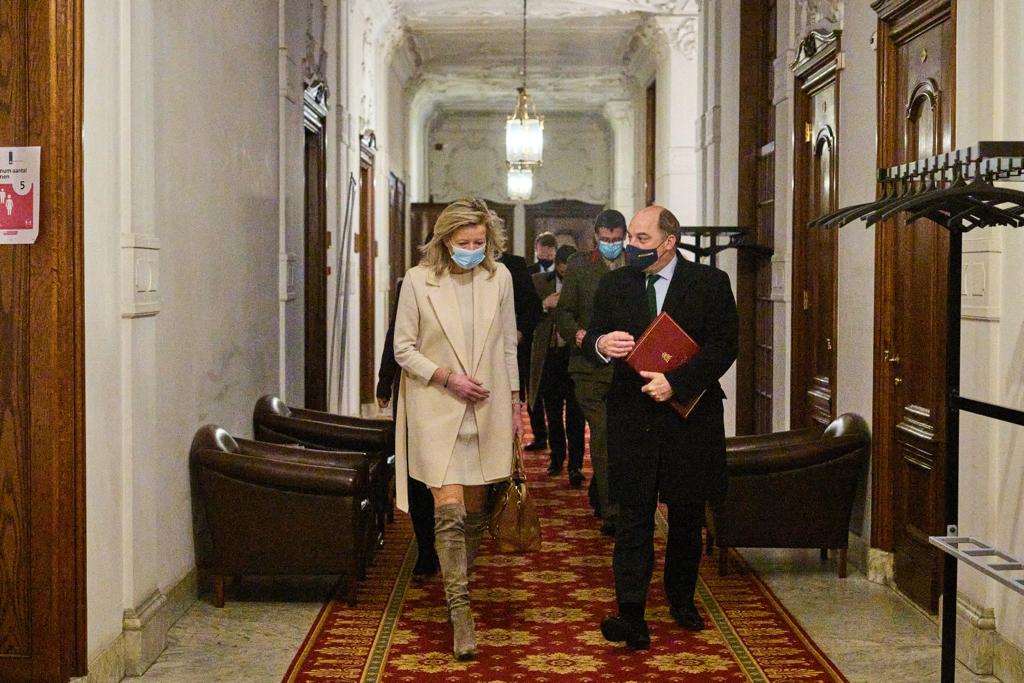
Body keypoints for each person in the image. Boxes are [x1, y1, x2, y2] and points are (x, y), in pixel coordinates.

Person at [582, 205, 738, 650]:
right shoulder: (615, 284)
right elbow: (594, 337)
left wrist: (677, 383)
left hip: (690, 414)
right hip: (631, 415)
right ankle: (630, 611)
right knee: (632, 515)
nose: (631, 245)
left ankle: (681, 599)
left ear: (669, 242)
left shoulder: (710, 283)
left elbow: (725, 346)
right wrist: (601, 343)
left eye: (642, 239)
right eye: (630, 236)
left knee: (687, 515)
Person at [393, 197, 523, 660]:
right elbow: (402, 349)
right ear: (445, 240)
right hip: (437, 405)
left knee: (473, 512)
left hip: (485, 408)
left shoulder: (500, 278)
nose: (472, 248)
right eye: (464, 241)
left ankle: (459, 579)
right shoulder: (417, 281)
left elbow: (509, 344)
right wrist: (447, 377)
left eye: (480, 241)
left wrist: (514, 404)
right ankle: (460, 609)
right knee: (446, 509)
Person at [555, 209, 628, 533]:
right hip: (589, 368)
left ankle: (602, 491)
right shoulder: (581, 266)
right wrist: (582, 337)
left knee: (619, 438)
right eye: (605, 239)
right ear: (597, 235)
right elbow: (565, 314)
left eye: (617, 239)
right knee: (603, 436)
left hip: (629, 369)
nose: (611, 244)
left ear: (624, 237)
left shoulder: (637, 265)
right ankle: (613, 511)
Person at [376, 276, 440, 581]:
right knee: (417, 471)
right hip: (414, 388)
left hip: (460, 393)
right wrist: (384, 380)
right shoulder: (412, 283)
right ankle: (427, 548)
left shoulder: (481, 282)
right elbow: (395, 336)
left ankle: (454, 542)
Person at [528, 244, 586, 486]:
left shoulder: (584, 284)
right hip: (549, 358)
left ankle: (575, 466)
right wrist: (544, 305)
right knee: (552, 413)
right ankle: (556, 458)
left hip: (574, 358)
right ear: (558, 265)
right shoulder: (538, 281)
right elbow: (526, 314)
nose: (566, 271)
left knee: (576, 415)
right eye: (563, 267)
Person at [496, 247, 543, 450]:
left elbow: (532, 307)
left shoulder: (514, 265)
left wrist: (520, 331)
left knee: (510, 405)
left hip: (510, 347)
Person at [524, 231, 559, 447]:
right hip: (533, 339)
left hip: (558, 342)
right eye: (542, 248)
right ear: (536, 249)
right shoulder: (527, 274)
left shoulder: (565, 274)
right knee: (533, 388)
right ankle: (539, 435)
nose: (545, 252)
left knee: (554, 396)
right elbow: (524, 308)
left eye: (549, 248)